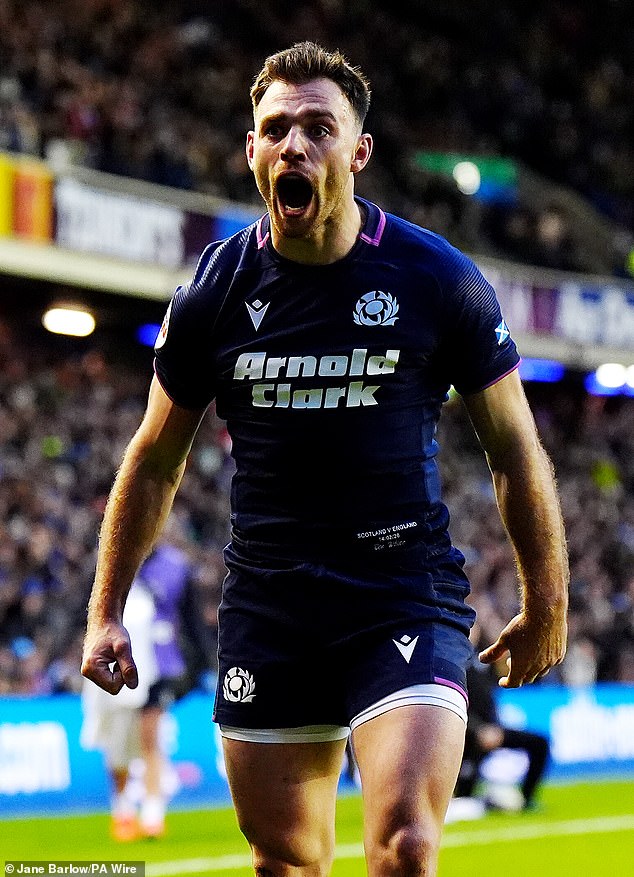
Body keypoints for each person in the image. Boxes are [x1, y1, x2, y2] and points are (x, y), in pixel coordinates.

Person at [81, 41, 569, 876]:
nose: (294, 145)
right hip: (270, 602)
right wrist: (105, 608)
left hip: (401, 591)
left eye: (318, 127)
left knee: (406, 846)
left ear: (358, 150)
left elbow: (515, 450)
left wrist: (547, 598)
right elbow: (155, 459)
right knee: (288, 860)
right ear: (252, 153)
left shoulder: (436, 279)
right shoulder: (213, 292)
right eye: (275, 130)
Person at [455, 622, 551, 811]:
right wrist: (477, 729)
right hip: (466, 733)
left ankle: (527, 798)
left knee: (539, 743)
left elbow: (490, 697)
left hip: (491, 729)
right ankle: (476, 798)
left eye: (474, 628)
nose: (471, 632)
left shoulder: (482, 659)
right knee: (465, 799)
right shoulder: (453, 661)